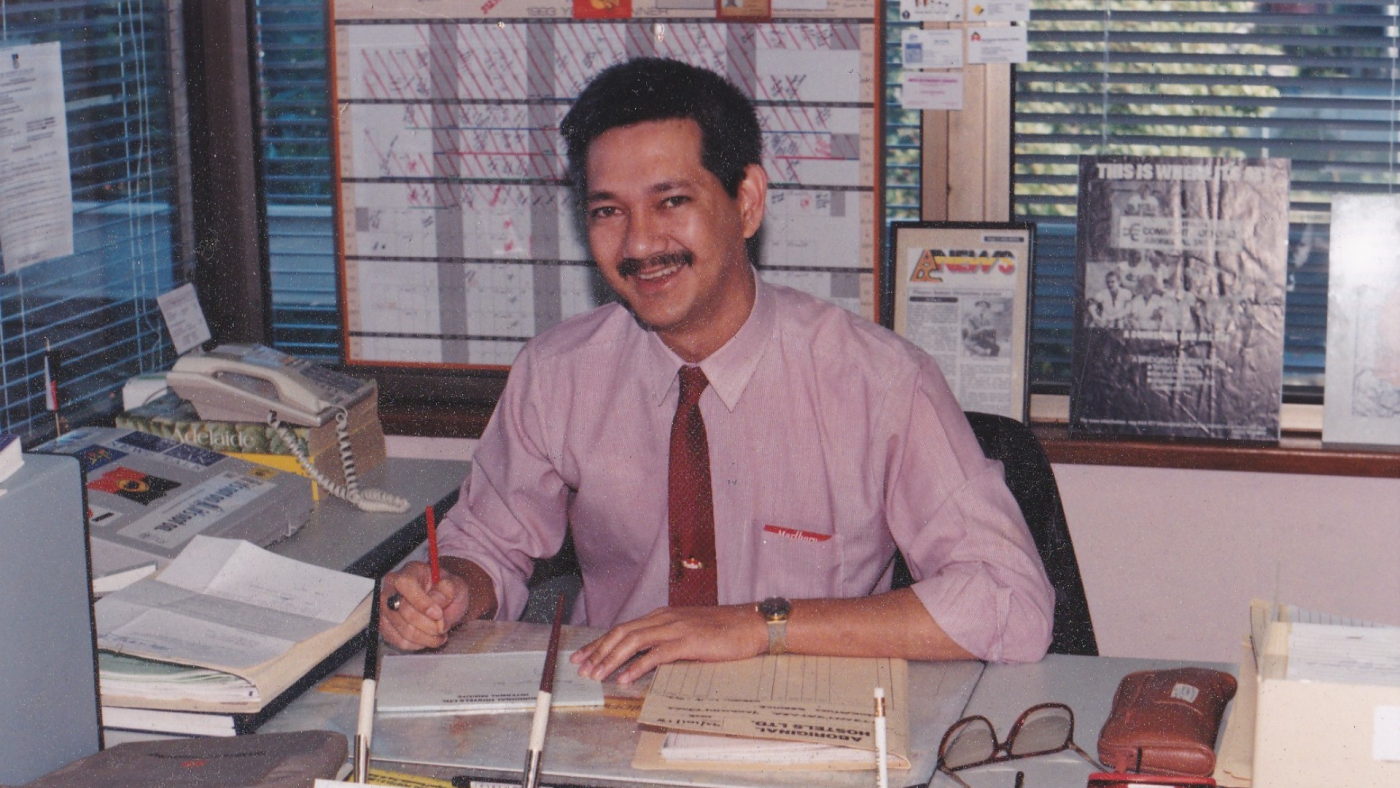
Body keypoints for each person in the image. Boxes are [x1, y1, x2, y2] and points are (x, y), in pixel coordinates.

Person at [378, 58, 1054, 682]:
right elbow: (489, 543)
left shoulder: (879, 382)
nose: (640, 243)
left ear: (748, 201)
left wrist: (758, 627)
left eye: (672, 202)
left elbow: (1011, 599)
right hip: (616, 721)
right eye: (609, 211)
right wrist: (453, 589)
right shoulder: (557, 374)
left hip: (807, 717)